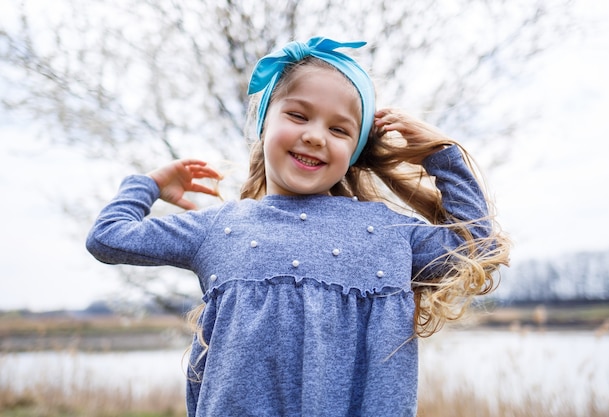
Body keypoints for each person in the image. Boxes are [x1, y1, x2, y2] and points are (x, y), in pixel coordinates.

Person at [86, 36, 510, 417]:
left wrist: (442, 155)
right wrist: (148, 185)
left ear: (355, 151)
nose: (315, 136)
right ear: (263, 124)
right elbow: (107, 237)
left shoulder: (387, 232)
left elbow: (480, 246)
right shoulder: (223, 227)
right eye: (298, 115)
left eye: (339, 129)